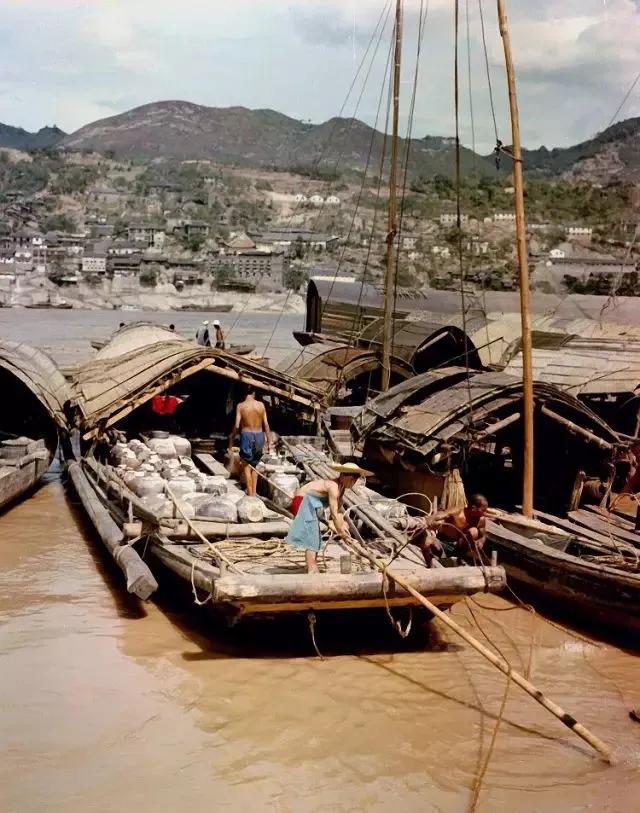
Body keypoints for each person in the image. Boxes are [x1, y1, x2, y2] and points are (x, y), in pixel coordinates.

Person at [286, 462, 372, 574]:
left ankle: (311, 566)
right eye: (352, 480)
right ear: (346, 477)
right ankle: (312, 569)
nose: (353, 483)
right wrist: (342, 535)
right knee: (312, 536)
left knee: (315, 536)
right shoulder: (333, 486)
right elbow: (334, 514)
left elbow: (339, 512)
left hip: (310, 505)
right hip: (301, 502)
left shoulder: (341, 488)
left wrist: (344, 528)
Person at [229, 387, 272, 496]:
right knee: (255, 465)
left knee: (246, 466)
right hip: (259, 435)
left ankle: (250, 494)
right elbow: (266, 424)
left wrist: (232, 437)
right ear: (254, 393)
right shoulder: (261, 405)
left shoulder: (241, 406)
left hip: (247, 435)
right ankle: (254, 492)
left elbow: (237, 424)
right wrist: (269, 441)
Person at [429, 494, 489, 563]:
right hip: (444, 542)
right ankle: (443, 556)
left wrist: (482, 540)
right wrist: (430, 519)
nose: (485, 513)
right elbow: (443, 514)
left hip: (459, 547)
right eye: (483, 510)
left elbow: (484, 534)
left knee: (474, 531)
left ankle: (460, 556)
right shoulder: (459, 511)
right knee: (430, 542)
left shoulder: (481, 520)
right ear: (474, 508)